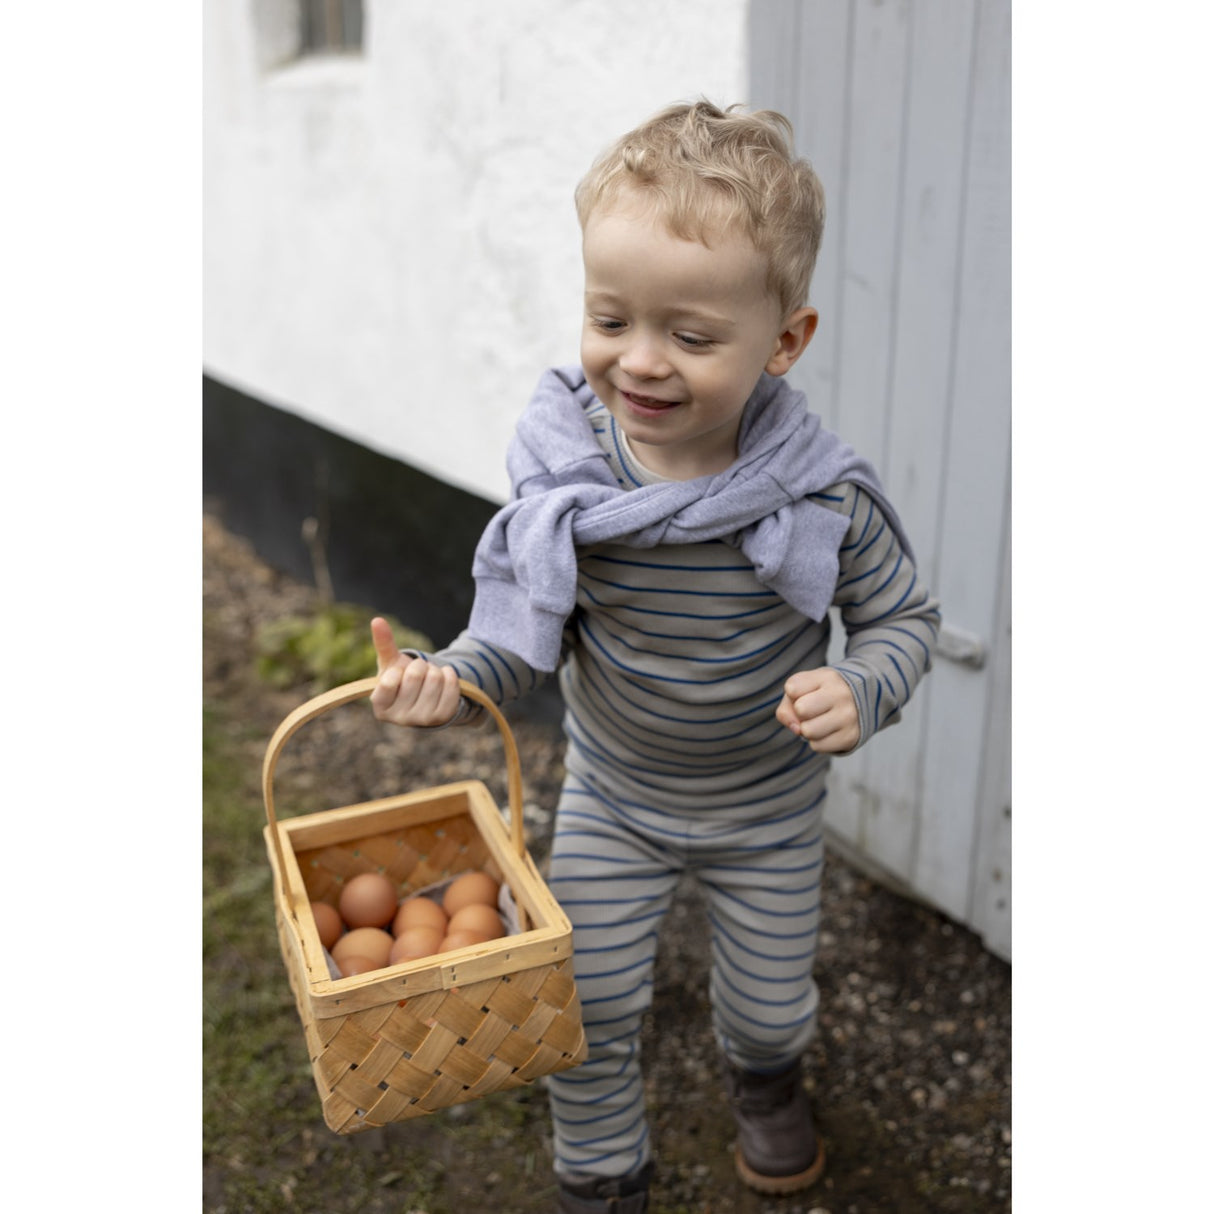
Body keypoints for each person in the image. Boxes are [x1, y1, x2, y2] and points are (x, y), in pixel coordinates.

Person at [369, 100, 940, 1214]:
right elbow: (512, 640)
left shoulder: (819, 498)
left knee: (772, 1004)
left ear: (782, 340)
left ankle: (766, 1077)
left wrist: (863, 684)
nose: (638, 362)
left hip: (765, 807)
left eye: (688, 334)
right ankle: (600, 1173)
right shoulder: (571, 481)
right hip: (615, 797)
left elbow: (903, 619)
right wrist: (450, 678)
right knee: (579, 1000)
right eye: (609, 317)